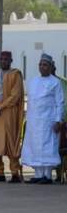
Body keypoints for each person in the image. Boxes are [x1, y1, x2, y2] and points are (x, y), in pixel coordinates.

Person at [21, 53, 64, 184]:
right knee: (35, 147)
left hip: (49, 121)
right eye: (40, 64)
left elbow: (60, 102)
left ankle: (48, 176)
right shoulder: (33, 81)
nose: (42, 67)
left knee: (48, 147)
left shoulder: (55, 82)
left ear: (50, 67)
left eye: (45, 65)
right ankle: (38, 175)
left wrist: (58, 121)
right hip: (34, 121)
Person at [0, 50, 24, 183]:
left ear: (11, 61)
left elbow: (15, 95)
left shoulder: (15, 75)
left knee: (11, 143)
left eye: (6, 59)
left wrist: (0, 107)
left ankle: (14, 173)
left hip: (8, 114)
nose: (3, 61)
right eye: (1, 59)